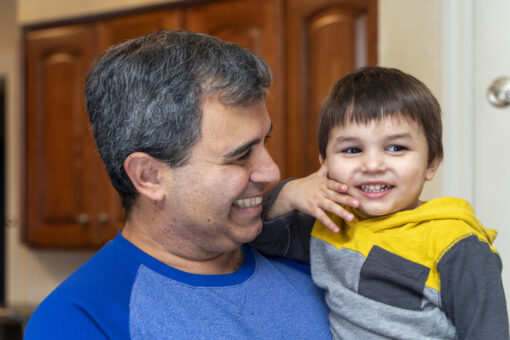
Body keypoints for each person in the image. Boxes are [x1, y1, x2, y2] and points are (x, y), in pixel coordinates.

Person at [23, 30, 356, 339]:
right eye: (240, 156)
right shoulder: (78, 321)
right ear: (149, 176)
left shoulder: (312, 255)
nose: (271, 171)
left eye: (264, 141)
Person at [252, 66, 509, 339]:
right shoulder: (329, 222)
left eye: (396, 148)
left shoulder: (457, 244)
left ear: (431, 163)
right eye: (353, 150)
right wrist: (290, 192)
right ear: (325, 163)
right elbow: (259, 236)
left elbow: (488, 332)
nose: (373, 165)